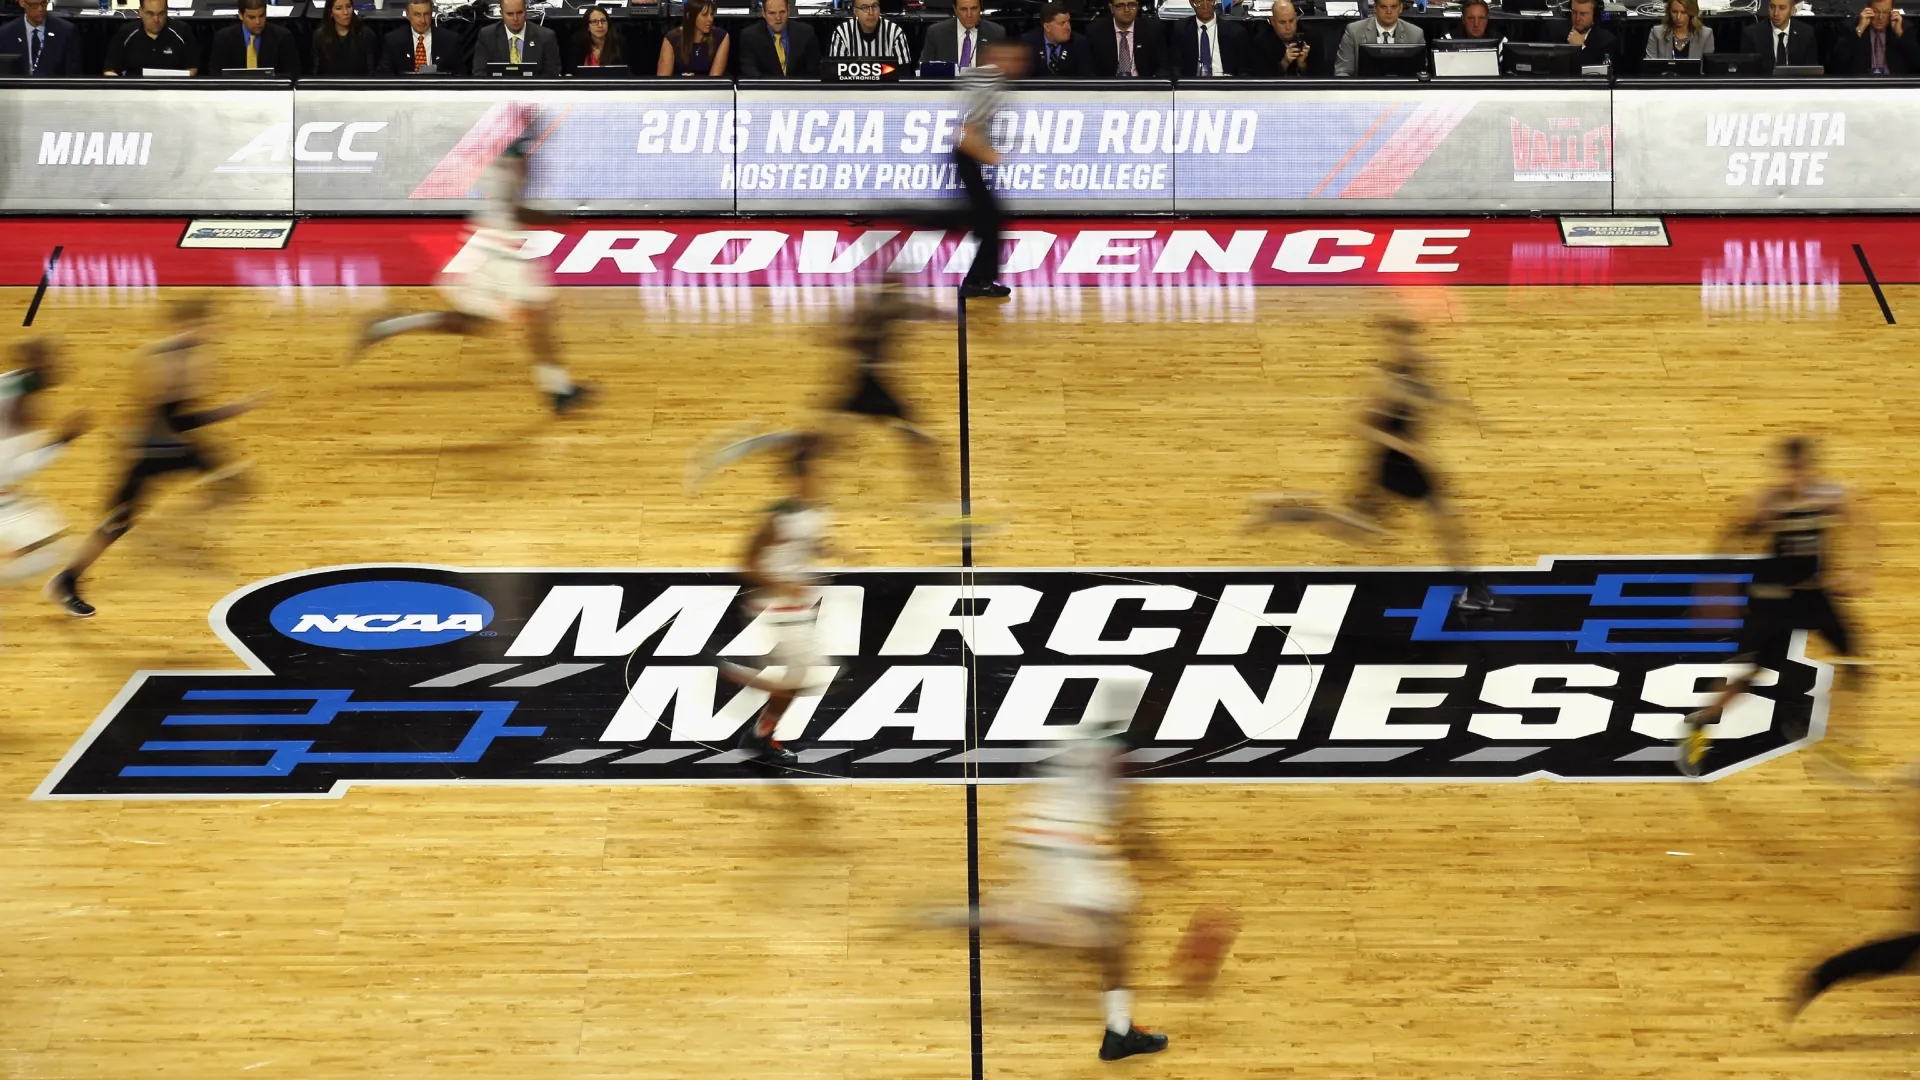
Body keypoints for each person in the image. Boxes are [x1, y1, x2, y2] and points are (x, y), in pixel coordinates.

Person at [922, 678, 1170, 1061]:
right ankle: (1118, 1030)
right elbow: (1131, 824)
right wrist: (1164, 863)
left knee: (1087, 929)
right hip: (1071, 844)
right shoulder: (1120, 754)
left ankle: (963, 918)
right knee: (1112, 933)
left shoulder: (1074, 737)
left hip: (1030, 834)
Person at [1251, 318, 1505, 614]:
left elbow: (1435, 397)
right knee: (1442, 520)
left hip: (1408, 462)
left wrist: (1471, 415)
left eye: (1410, 341)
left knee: (1361, 529)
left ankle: (1286, 511)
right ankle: (1472, 587)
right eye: (1400, 343)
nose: (1408, 347)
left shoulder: (1417, 370)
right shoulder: (1382, 381)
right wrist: (1401, 444)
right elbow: (1355, 423)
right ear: (1391, 346)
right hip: (1392, 463)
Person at [46, 298, 267, 619]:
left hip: (173, 444)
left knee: (237, 483)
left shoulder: (191, 355)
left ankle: (173, 537)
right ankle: (66, 581)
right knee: (117, 523)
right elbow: (177, 419)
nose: (218, 327)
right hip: (151, 451)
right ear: (191, 324)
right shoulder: (165, 360)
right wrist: (236, 408)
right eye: (211, 321)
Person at [355, 130, 591, 416]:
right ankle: (558, 391)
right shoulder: (514, 164)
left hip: (495, 242)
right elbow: (516, 210)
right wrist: (561, 220)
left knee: (478, 322)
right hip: (500, 247)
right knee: (535, 315)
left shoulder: (507, 160)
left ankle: (389, 325)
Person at [1677, 437, 1872, 778]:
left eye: (1800, 468)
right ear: (1782, 469)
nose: (1795, 476)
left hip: (1813, 594)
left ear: (1811, 467)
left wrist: (1860, 569)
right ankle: (1699, 724)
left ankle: (1840, 745)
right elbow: (1728, 537)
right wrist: (1713, 591)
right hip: (1772, 599)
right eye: (1789, 469)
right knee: (1748, 674)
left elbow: (1865, 525)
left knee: (1856, 665)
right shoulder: (1768, 503)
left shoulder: (1830, 496)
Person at [719, 435, 832, 768]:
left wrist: (829, 550)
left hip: (796, 604)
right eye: (816, 474)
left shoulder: (814, 509)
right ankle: (735, 676)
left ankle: (759, 734)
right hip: (776, 604)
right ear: (799, 478)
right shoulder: (777, 518)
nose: (823, 480)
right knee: (805, 680)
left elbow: (806, 544)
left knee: (801, 682)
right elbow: (745, 564)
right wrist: (783, 584)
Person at [0, 341, 88, 587]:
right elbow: (14, 469)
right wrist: (62, 440)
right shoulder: (15, 403)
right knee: (51, 548)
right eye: (50, 363)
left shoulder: (11, 388)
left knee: (51, 545)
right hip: (5, 500)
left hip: (10, 499)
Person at [956, 39, 1026, 300]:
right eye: (1014, 59)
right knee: (989, 221)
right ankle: (976, 281)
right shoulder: (989, 87)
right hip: (965, 157)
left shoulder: (991, 82)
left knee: (990, 221)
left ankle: (981, 279)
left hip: (969, 158)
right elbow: (965, 133)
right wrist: (991, 157)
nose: (1018, 65)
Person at [103, 0, 196, 76]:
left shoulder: (182, 31)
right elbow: (110, 70)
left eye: (161, 13)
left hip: (173, 92)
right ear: (140, 12)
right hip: (133, 91)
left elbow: (192, 68)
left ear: (167, 11)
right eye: (150, 14)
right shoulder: (125, 33)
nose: (156, 19)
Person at [1335, 0, 1425, 76]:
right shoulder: (1354, 31)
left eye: (1393, 7)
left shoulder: (1415, 34)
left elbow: (1421, 73)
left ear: (1400, 8)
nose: (1389, 12)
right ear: (1375, 7)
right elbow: (1342, 71)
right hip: (1364, 92)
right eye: (1383, 7)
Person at [474, 0, 561, 75]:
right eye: (510, 14)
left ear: (526, 11)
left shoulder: (546, 37)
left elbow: (552, 74)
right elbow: (479, 73)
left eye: (519, 13)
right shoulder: (487, 36)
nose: (515, 19)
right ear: (501, 14)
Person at [210, 0, 297, 76]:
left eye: (261, 16)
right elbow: (215, 74)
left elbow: (291, 74)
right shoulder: (223, 38)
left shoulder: (282, 37)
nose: (258, 22)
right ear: (241, 15)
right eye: (251, 17)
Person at [0, 0, 83, 77]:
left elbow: (72, 74)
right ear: (22, 3)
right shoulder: (6, 33)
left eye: (43, 3)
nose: (40, 9)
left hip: (55, 89)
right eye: (34, 5)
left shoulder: (66, 31)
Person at [1833, 0, 1919, 74]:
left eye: (1886, 12)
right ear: (1867, 10)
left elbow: (1917, 63)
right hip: (1861, 85)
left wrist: (1900, 34)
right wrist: (1859, 30)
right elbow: (1836, 63)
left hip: (1894, 85)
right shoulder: (1851, 27)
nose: (1880, 17)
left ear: (1892, 12)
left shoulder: (1905, 27)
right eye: (1876, 11)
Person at [376, 0, 461, 74]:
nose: (422, 20)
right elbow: (385, 74)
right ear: (408, 15)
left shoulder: (450, 40)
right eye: (417, 15)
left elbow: (460, 74)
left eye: (426, 14)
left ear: (431, 14)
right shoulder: (393, 40)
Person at [737, 0, 818, 77]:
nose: (778, 18)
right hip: (765, 89)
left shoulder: (806, 32)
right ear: (764, 13)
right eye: (772, 13)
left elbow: (812, 70)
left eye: (782, 12)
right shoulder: (750, 36)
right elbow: (750, 71)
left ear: (789, 11)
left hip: (799, 89)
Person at [919, 0, 1006, 71]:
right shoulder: (936, 33)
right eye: (963, 9)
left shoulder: (996, 33)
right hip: (946, 90)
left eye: (974, 8)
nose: (969, 15)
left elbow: (1003, 72)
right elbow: (923, 69)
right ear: (955, 10)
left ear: (981, 8)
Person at [1088, 0, 1168, 78]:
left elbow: (1162, 66)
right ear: (1111, 8)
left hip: (1142, 86)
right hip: (1108, 87)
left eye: (1132, 5)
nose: (1126, 10)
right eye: (1120, 6)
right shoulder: (1095, 31)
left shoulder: (1152, 30)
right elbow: (1090, 70)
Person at [1173, 0, 1252, 77]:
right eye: (1199, 2)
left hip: (1225, 83)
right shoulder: (1181, 29)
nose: (1206, 6)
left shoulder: (1235, 32)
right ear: (1191, 3)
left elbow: (1244, 70)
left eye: (1210, 1)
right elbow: (1175, 67)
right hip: (1194, 84)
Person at [1740, 0, 1818, 73]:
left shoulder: (1806, 33)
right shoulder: (1752, 34)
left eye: (1782, 8)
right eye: (1772, 7)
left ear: (1792, 11)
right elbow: (1747, 72)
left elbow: (1811, 70)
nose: (1776, 13)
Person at [828, 0, 912, 65]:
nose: (871, 12)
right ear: (855, 11)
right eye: (865, 8)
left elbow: (903, 76)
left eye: (875, 6)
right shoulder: (842, 33)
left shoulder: (895, 33)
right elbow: (836, 73)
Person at [658, 0, 730, 76]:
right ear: (689, 15)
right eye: (704, 15)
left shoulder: (721, 36)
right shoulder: (672, 38)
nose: (710, 19)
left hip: (708, 87)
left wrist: (695, 80)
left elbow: (715, 79)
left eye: (711, 15)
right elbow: (663, 79)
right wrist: (682, 81)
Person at [1023, 1, 1093, 76]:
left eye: (1068, 22)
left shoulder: (1079, 43)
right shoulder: (1028, 42)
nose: (1068, 27)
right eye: (1062, 23)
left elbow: (1086, 77)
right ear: (1047, 27)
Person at [310, 0, 376, 76]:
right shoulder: (319, 36)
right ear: (330, 12)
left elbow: (371, 72)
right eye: (339, 8)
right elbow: (315, 73)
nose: (346, 12)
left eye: (348, 7)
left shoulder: (366, 34)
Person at [1546, 0, 1617, 69]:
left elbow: (1597, 74)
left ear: (1595, 15)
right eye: (1574, 12)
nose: (1577, 18)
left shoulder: (1606, 41)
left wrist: (1581, 48)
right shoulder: (1553, 30)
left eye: (1583, 14)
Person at [1251, 0, 1313, 76]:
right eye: (1282, 22)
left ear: (1296, 17)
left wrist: (1302, 65)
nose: (1288, 27)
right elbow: (1262, 79)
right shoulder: (1262, 42)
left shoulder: (1312, 37)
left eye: (1291, 21)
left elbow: (1321, 77)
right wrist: (1284, 63)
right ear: (1273, 22)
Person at [1644, 0, 1713, 59]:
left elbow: (1708, 69)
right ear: (1669, 12)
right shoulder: (1657, 32)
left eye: (1683, 12)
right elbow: (1650, 68)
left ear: (1691, 13)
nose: (1678, 17)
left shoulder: (1705, 34)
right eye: (1674, 12)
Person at [568, 5, 627, 70]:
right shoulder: (578, 44)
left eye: (603, 21)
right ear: (587, 26)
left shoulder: (619, 43)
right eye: (595, 21)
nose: (600, 25)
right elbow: (571, 71)